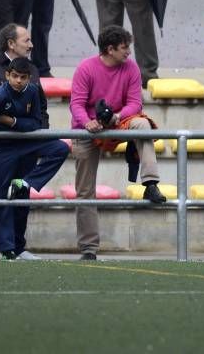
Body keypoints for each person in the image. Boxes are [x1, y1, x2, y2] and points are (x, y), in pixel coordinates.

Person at [70, 25, 166, 260]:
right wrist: (88, 123)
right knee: (84, 192)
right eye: (125, 48)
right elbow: (77, 104)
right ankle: (89, 249)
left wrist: (115, 117)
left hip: (117, 121)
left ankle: (150, 183)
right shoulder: (86, 68)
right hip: (87, 130)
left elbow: (135, 104)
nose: (129, 53)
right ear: (110, 49)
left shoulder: (131, 68)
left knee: (142, 124)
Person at [0, 23, 48, 259]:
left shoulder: (32, 69)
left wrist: (39, 134)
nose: (31, 45)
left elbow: (41, 107)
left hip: (27, 146)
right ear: (11, 43)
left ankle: (17, 246)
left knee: (21, 192)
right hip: (0, 147)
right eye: (27, 40)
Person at [0, 58, 69, 260]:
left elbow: (36, 122)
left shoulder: (33, 91)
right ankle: (6, 249)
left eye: (23, 77)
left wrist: (12, 121)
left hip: (27, 143)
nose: (18, 81)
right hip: (1, 149)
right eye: (14, 76)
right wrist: (20, 125)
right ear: (7, 75)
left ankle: (28, 182)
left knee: (60, 148)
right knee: (0, 199)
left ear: (29, 78)